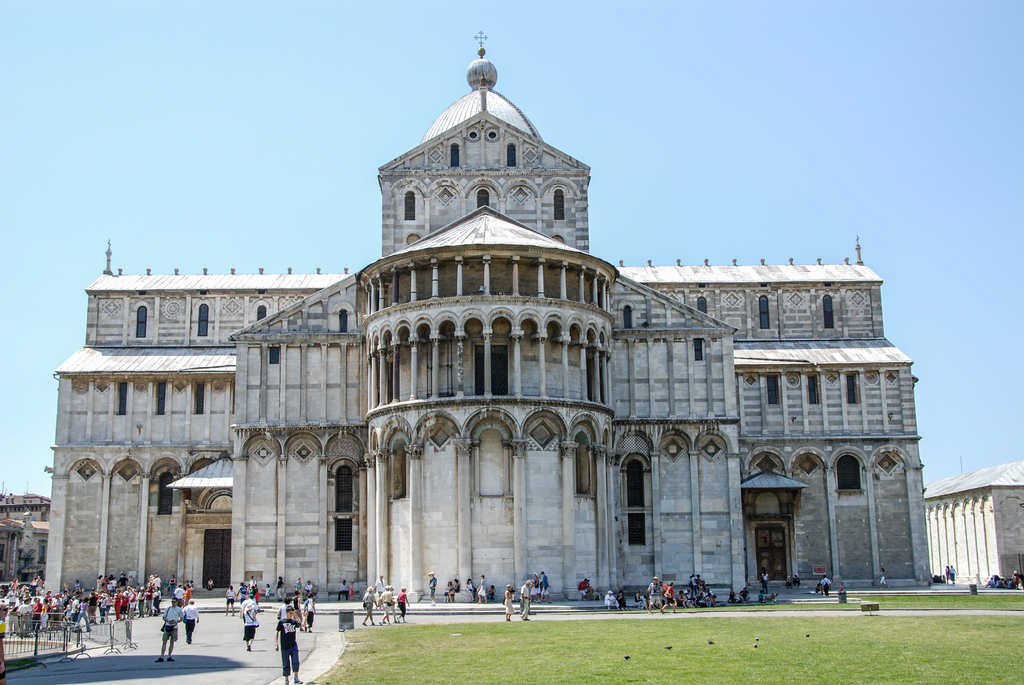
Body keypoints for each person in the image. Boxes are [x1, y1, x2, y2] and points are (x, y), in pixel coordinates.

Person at [275, 606, 304, 685]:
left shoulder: (294, 621)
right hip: (285, 646)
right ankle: (287, 680)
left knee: (295, 661)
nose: (291, 615)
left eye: (292, 613)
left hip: (293, 645)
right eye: (290, 613)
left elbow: (302, 625)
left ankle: (296, 678)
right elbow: (277, 632)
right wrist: (276, 644)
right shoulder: (282, 622)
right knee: (286, 663)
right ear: (286, 613)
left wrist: (299, 616)